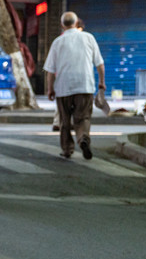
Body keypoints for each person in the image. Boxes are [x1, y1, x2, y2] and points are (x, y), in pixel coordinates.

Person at [44, 11, 104, 160]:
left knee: (65, 121)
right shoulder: (88, 38)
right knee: (83, 117)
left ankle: (67, 149)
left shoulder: (58, 41)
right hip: (85, 86)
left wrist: (50, 88)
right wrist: (102, 82)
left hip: (63, 88)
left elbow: (50, 70)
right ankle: (83, 138)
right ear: (77, 23)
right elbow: (100, 64)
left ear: (62, 25)